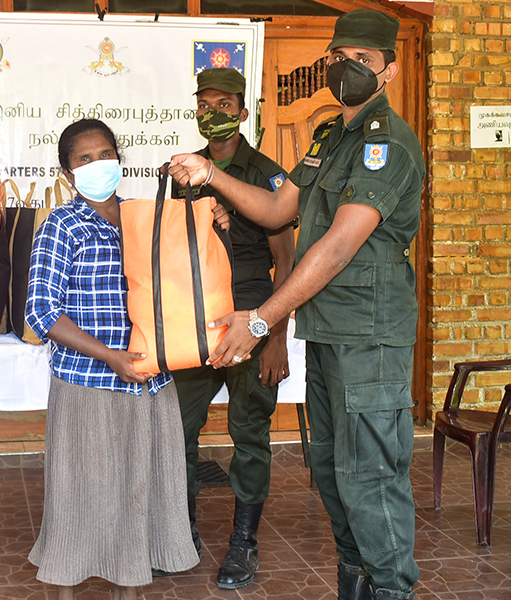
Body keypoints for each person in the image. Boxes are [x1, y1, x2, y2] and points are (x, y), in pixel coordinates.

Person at [168, 10, 424, 600]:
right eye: (340, 57)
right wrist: (211, 173)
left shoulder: (388, 144)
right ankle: (354, 586)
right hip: (331, 334)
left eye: (364, 59)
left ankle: (392, 591)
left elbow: (335, 247)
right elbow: (280, 211)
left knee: (372, 483)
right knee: (335, 478)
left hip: (371, 339)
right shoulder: (330, 137)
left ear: (387, 71)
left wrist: (262, 321)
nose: (349, 68)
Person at [26, 118, 199, 600]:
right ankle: (64, 589)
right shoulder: (60, 226)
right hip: (87, 383)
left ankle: (129, 590)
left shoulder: (146, 218)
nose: (97, 165)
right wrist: (110, 357)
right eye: (84, 159)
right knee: (77, 497)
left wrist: (214, 224)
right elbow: (41, 312)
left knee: (135, 497)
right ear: (67, 173)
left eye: (105, 155)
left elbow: (182, 283)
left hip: (148, 382)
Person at [165, 67, 296, 590]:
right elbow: (171, 255)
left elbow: (286, 263)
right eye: (205, 104)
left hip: (251, 324)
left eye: (225, 106)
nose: (213, 114)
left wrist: (276, 339)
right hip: (195, 328)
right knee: (175, 431)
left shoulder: (267, 174)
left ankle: (244, 542)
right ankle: (183, 531)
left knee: (249, 436)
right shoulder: (181, 175)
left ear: (243, 114)